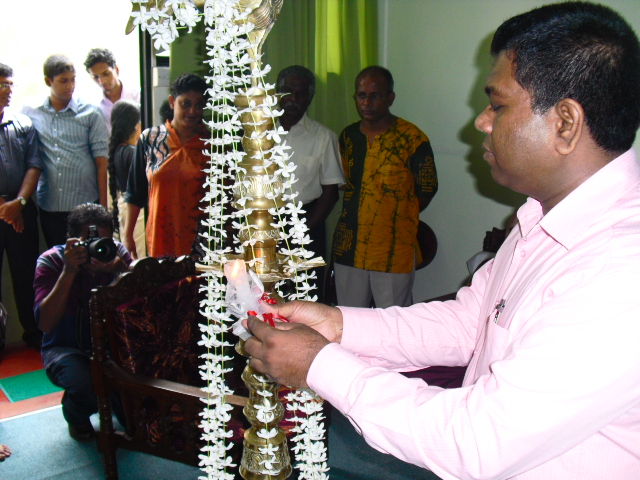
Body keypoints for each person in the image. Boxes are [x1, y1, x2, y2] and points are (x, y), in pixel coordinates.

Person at [243, 2, 640, 479]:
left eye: (497, 105)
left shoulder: (620, 268)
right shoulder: (539, 219)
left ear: (566, 123)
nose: (482, 122)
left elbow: (478, 441)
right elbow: (469, 323)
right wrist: (337, 325)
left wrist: (319, 365)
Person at [332, 66, 438, 309]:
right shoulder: (348, 137)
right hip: (349, 245)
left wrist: (395, 215)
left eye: (375, 96)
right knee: (349, 317)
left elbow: (427, 189)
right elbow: (342, 183)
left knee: (393, 320)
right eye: (361, 96)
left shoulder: (412, 138)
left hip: (393, 247)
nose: (366, 103)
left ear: (390, 97)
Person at [34, 203, 131, 441]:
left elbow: (143, 306)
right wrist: (68, 271)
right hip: (65, 347)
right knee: (85, 388)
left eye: (104, 241)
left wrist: (122, 271)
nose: (99, 248)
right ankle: (76, 414)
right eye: (89, 243)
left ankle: (113, 398)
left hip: (113, 347)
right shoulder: (51, 261)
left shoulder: (116, 253)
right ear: (72, 241)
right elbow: (45, 324)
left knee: (135, 420)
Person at [23, 54, 109, 249]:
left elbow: (101, 162)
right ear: (48, 81)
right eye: (63, 81)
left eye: (73, 79)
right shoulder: (31, 113)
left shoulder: (90, 112)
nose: (70, 86)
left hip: (86, 204)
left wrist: (103, 209)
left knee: (89, 260)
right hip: (50, 205)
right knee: (57, 260)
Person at [276, 65, 345, 303]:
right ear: (277, 93)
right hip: (263, 224)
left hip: (306, 225)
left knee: (305, 299)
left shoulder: (323, 137)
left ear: (310, 98)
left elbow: (331, 193)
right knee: (264, 298)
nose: (294, 98)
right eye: (288, 91)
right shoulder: (258, 133)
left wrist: (299, 232)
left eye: (301, 93)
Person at [124, 74, 208, 259]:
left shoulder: (212, 145)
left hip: (201, 243)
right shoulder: (150, 139)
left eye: (199, 105)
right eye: (186, 104)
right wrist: (128, 235)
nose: (192, 111)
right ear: (172, 102)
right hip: (160, 238)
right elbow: (135, 192)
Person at [0, 63, 44, 349]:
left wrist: (19, 203)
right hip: (7, 209)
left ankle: (34, 336)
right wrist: (5, 208)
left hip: (22, 209)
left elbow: (34, 164)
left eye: (10, 84)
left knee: (27, 274)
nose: (8, 90)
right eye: (2, 84)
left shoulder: (23, 123)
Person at [108, 100, 145, 259]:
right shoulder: (131, 152)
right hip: (137, 213)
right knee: (140, 257)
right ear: (136, 125)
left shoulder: (119, 150)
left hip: (125, 209)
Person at [84, 48, 140, 131]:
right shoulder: (93, 106)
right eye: (96, 77)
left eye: (106, 74)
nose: (102, 81)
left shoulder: (138, 97)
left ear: (116, 69)